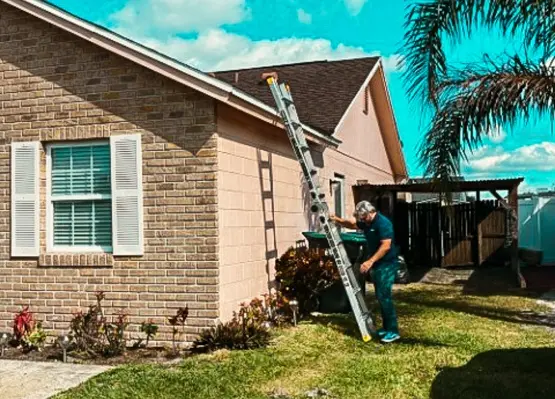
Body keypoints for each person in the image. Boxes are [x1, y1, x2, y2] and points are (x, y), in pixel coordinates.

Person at [330, 200, 400, 343]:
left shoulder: (383, 223)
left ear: (369, 213)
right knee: (380, 296)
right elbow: (353, 224)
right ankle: (387, 328)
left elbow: (386, 246)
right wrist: (337, 220)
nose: (362, 221)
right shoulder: (368, 222)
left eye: (363, 217)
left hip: (386, 265)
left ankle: (393, 331)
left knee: (384, 297)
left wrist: (370, 261)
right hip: (377, 264)